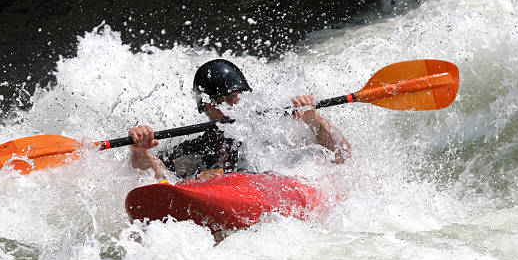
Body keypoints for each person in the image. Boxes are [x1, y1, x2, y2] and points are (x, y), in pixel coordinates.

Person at [128, 59, 351, 178]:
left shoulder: (275, 130)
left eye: (235, 97)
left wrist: (313, 120)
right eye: (221, 100)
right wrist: (140, 150)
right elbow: (154, 174)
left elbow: (343, 155)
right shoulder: (202, 146)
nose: (232, 106)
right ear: (205, 107)